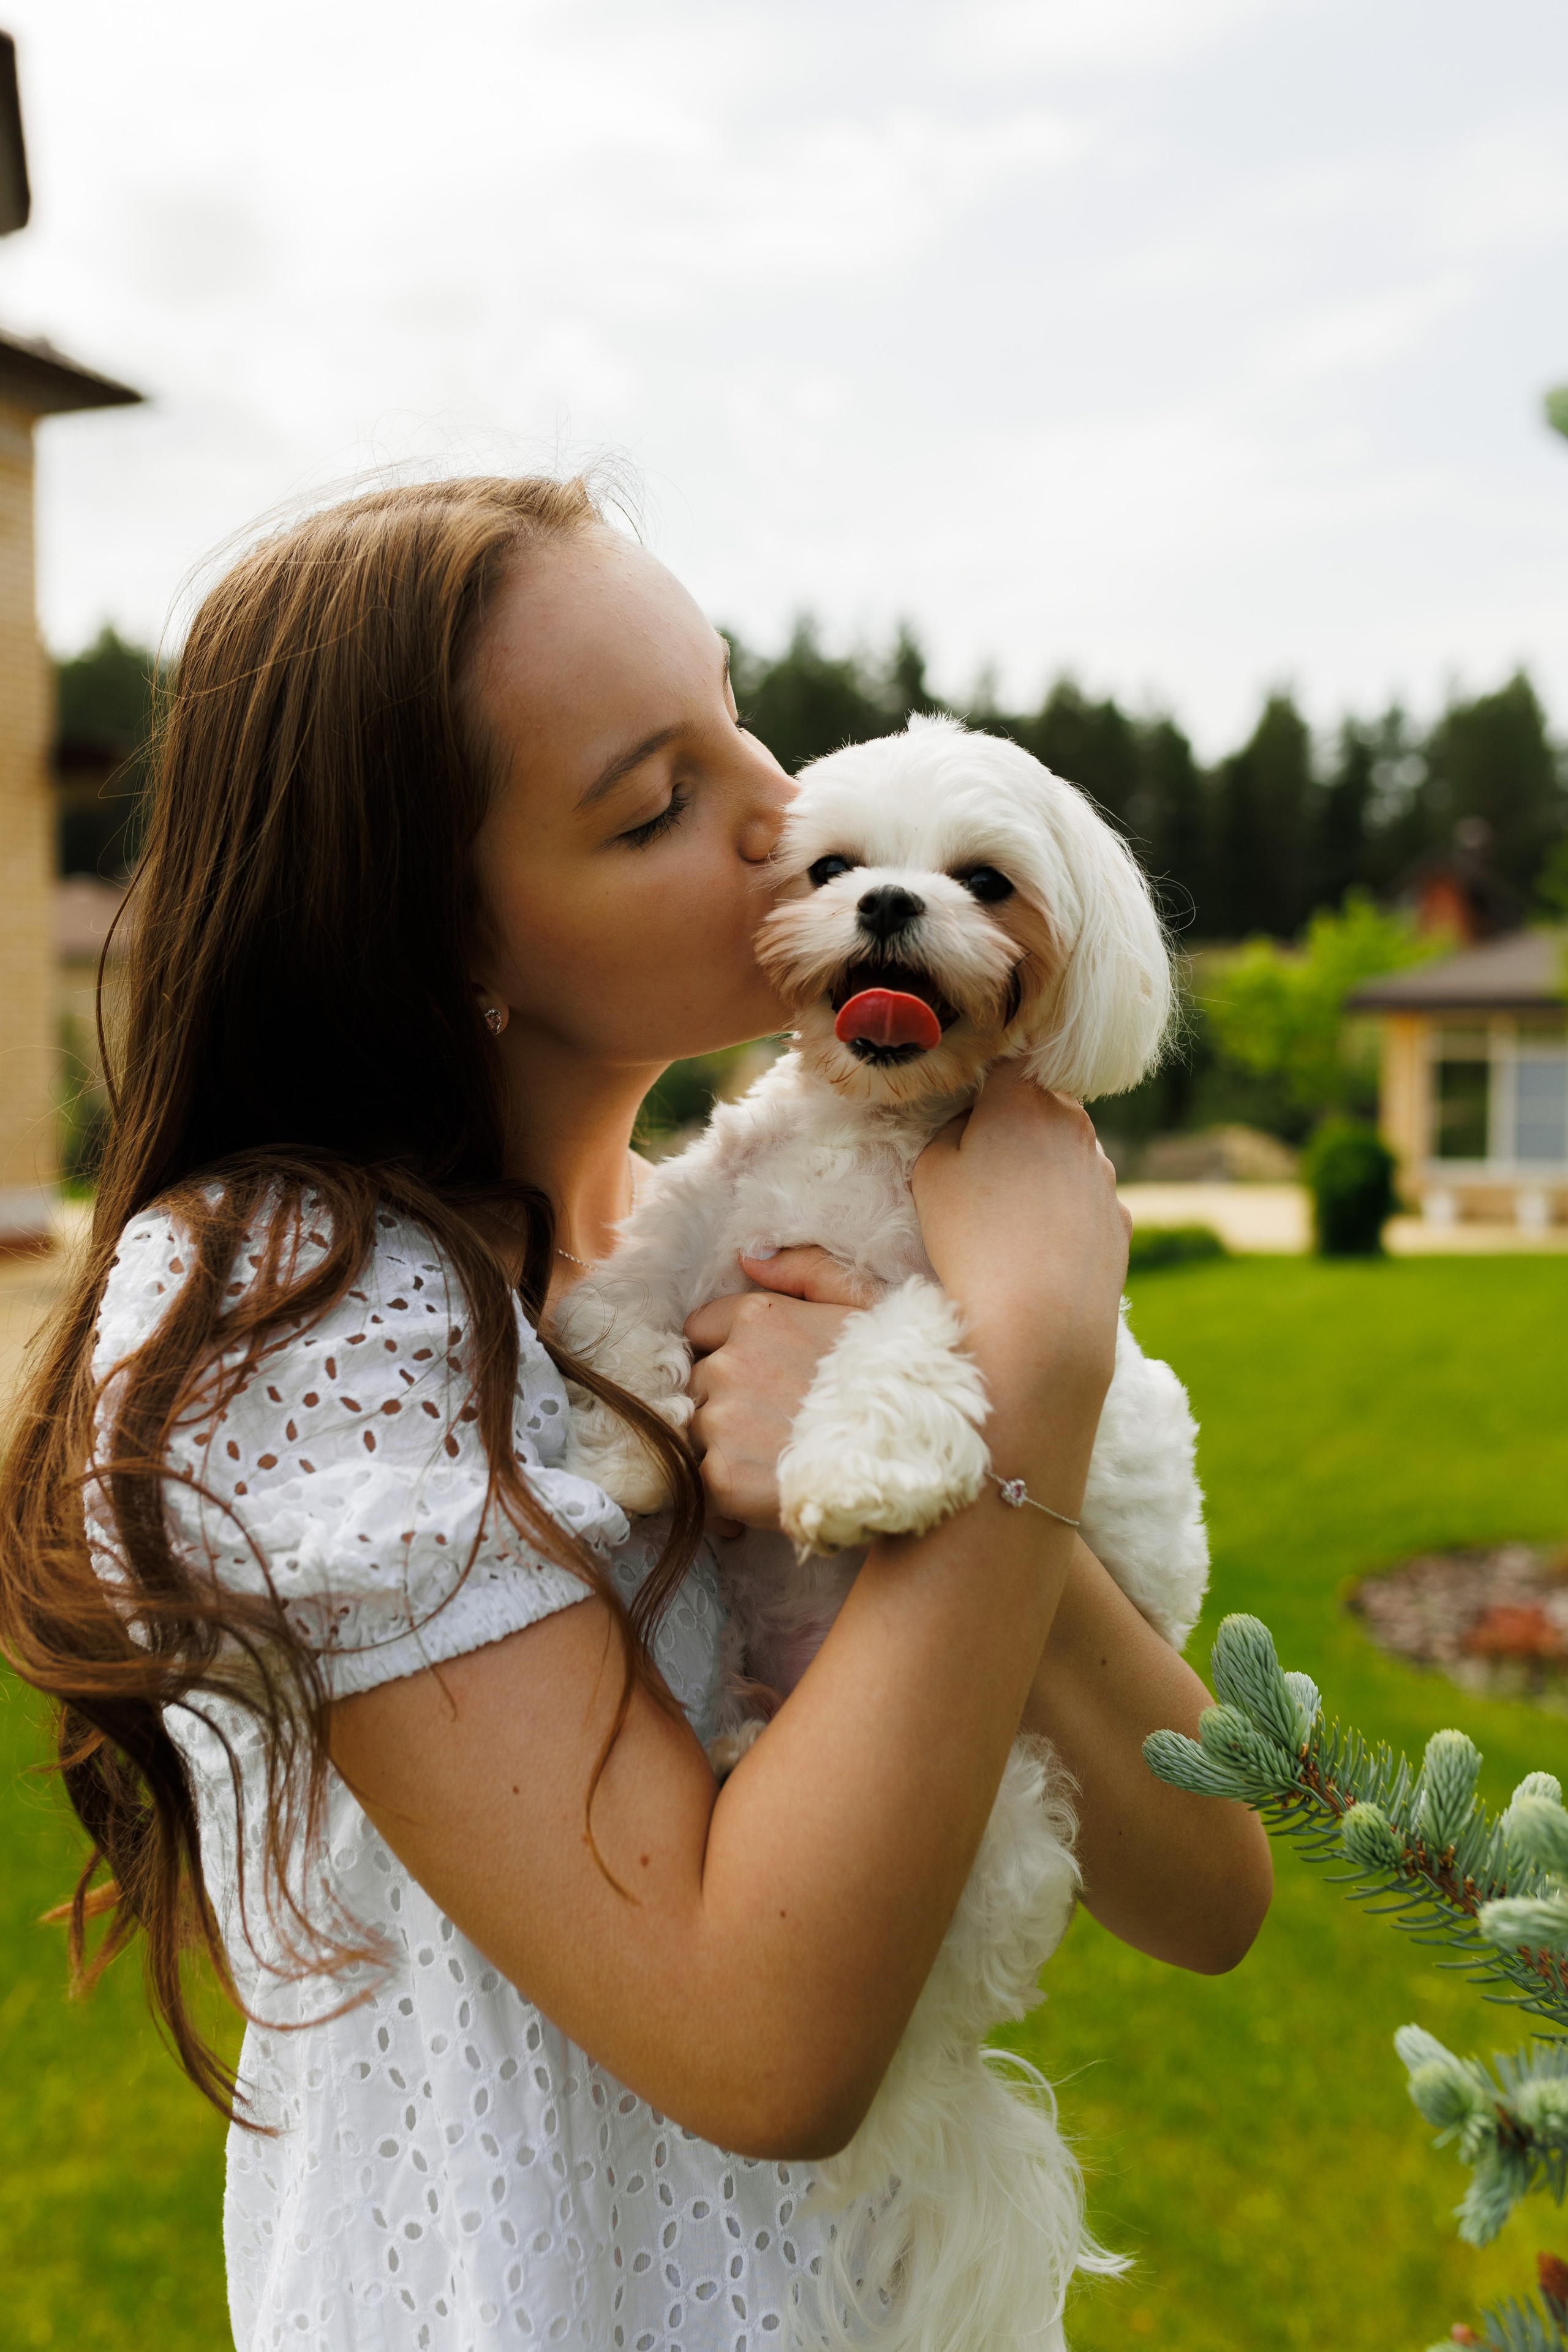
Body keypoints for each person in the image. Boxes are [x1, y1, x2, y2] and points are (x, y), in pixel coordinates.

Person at [0, 475, 1271, 2351]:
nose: (778, 811)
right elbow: (761, 2049)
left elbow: (1211, 1883)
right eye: (657, 802)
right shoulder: (299, 1318)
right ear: (454, 948)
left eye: (737, 715)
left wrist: (995, 1431)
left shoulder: (736, 1233)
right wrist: (1036, 1370)